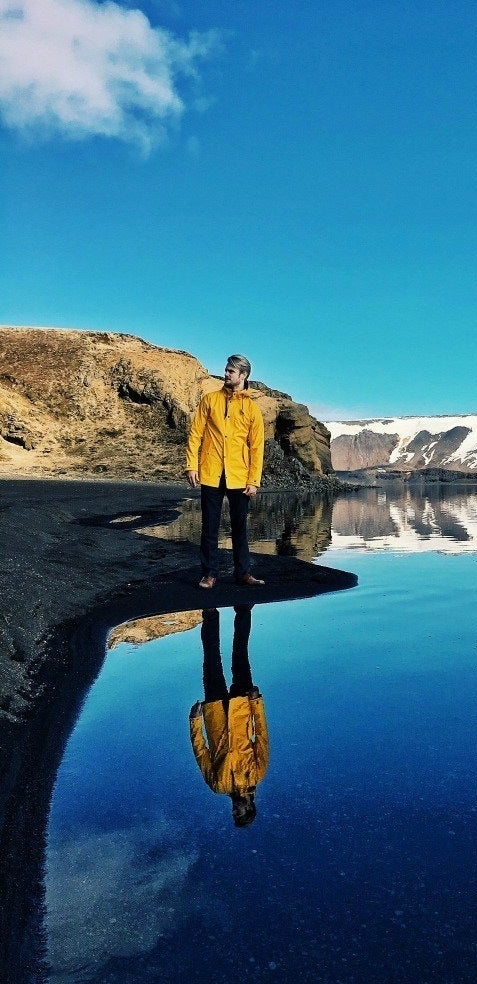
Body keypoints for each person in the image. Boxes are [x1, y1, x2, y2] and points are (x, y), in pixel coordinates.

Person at [185, 354, 265, 589]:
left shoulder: (252, 409)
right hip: (211, 472)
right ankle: (209, 574)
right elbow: (195, 433)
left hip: (239, 476)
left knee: (240, 527)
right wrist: (191, 464)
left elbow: (257, 447)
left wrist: (254, 480)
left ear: (243, 376)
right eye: (227, 370)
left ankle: (243, 573)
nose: (226, 374)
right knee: (209, 526)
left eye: (231, 371)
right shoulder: (209, 400)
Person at [189, 606, 269, 827]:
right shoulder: (257, 774)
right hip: (242, 708)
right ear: (250, 807)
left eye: (234, 815)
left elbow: (201, 752)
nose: (235, 811)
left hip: (215, 713)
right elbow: (261, 736)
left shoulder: (218, 785)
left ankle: (210, 613)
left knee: (211, 658)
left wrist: (195, 721)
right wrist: (256, 702)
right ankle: (244, 610)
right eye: (240, 813)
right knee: (240, 655)